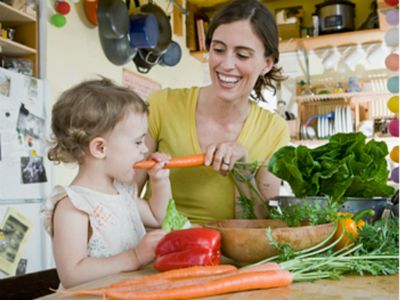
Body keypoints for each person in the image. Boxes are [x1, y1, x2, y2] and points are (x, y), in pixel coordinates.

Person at [136, 0, 290, 224]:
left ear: (266, 63)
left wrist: (242, 170)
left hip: (232, 255)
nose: (226, 64)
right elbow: (125, 194)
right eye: (218, 49)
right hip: (161, 248)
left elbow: (260, 224)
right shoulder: (162, 105)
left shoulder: (274, 130)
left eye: (242, 55)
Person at [42, 78, 172, 288]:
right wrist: (134, 257)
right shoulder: (74, 206)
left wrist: (160, 181)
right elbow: (72, 275)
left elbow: (159, 217)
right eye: (138, 142)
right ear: (100, 148)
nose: (145, 150)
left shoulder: (123, 193)